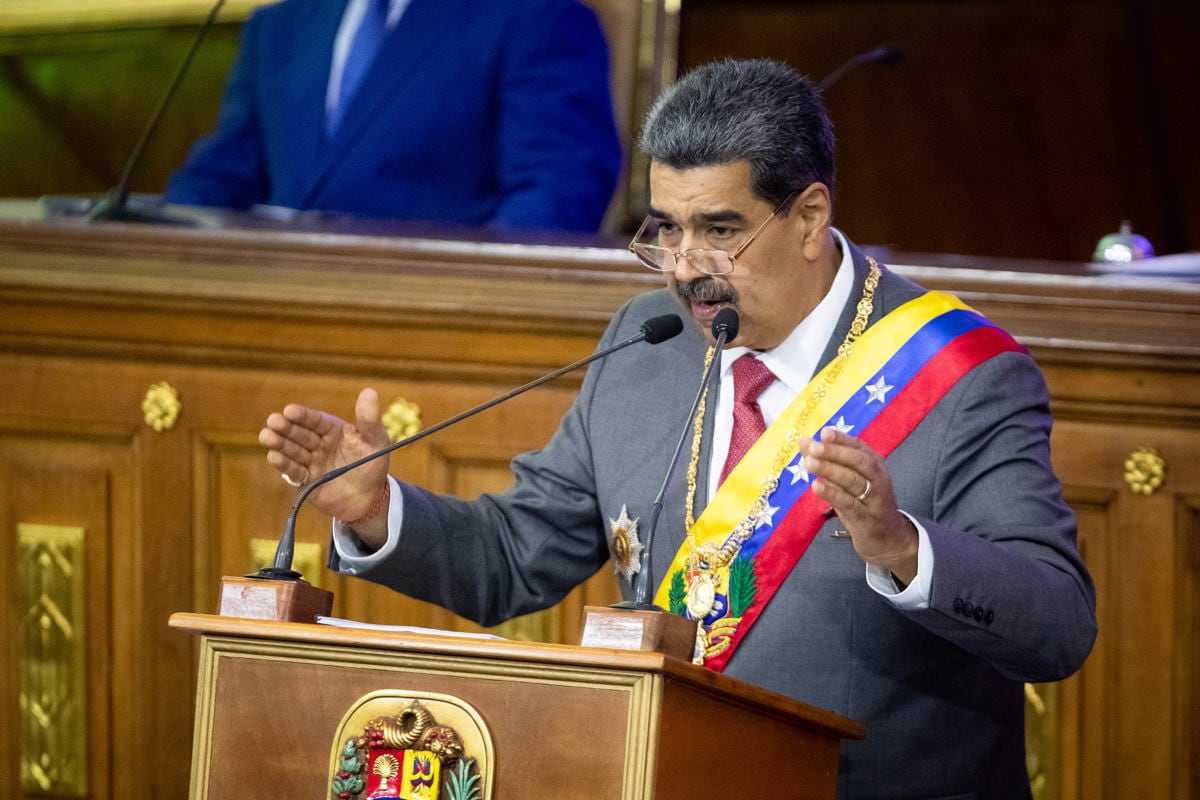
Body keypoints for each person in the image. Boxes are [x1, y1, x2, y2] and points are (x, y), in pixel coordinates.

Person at [260, 59, 1097, 798]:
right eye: (665, 229)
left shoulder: (961, 377)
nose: (685, 266)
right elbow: (518, 554)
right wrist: (376, 509)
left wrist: (903, 549)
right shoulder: (644, 341)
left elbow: (1058, 626)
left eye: (720, 230)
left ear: (808, 217)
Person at [164, 0, 622, 232]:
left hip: (430, 328)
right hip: (267, 312)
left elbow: (557, 189)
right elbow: (218, 177)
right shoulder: (279, 24)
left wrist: (468, 293)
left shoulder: (535, 16)